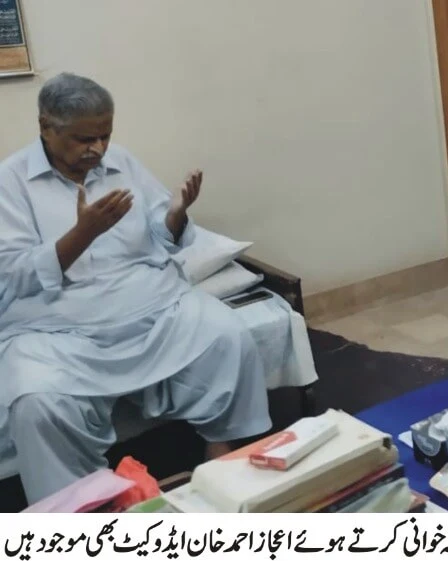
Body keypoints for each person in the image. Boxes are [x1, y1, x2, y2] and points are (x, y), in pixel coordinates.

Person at [0, 73, 271, 504]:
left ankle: (221, 472)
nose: (98, 149)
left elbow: (160, 235)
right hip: (57, 329)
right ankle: (83, 514)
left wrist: (178, 214)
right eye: (84, 138)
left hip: (147, 307)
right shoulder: (10, 182)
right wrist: (81, 235)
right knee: (37, 401)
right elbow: (13, 278)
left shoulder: (121, 162)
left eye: (105, 135)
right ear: (46, 128)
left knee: (227, 336)